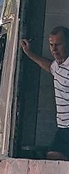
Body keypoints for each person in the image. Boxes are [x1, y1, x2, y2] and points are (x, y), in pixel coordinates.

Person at [20, 26, 69, 160]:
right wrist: (29, 53)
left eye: (58, 45)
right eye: (51, 45)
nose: (54, 50)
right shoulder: (58, 65)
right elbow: (50, 67)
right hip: (63, 128)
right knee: (53, 159)